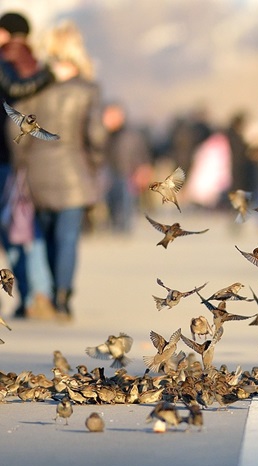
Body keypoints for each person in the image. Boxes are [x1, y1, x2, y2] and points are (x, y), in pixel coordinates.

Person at [10, 20, 106, 321]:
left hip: (37, 171)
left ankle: (47, 293)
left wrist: (21, 163)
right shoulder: (87, 89)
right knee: (67, 238)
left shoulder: (33, 86)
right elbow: (97, 134)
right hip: (75, 172)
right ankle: (63, 297)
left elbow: (15, 128)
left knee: (44, 237)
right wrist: (95, 162)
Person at [0, 11, 54, 318]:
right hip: (33, 156)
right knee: (27, 228)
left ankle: (33, 295)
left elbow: (15, 91)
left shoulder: (7, 63)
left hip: (8, 157)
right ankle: (39, 294)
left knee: (15, 232)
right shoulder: (35, 62)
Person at [101, 101, 153, 233]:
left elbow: (142, 154)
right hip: (109, 174)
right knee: (111, 202)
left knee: (126, 202)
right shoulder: (102, 134)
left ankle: (124, 228)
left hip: (128, 173)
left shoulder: (132, 134)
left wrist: (143, 170)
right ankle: (114, 226)